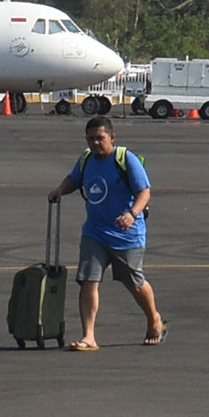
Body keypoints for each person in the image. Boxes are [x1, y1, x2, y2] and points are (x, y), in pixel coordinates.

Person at [45, 113, 164, 351]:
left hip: (126, 237)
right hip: (95, 233)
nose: (95, 143)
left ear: (112, 137)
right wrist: (60, 190)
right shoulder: (86, 160)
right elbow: (74, 179)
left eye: (100, 138)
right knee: (89, 281)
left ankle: (154, 319)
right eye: (90, 139)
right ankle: (88, 336)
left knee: (135, 283)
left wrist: (132, 214)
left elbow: (145, 192)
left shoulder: (126, 159)